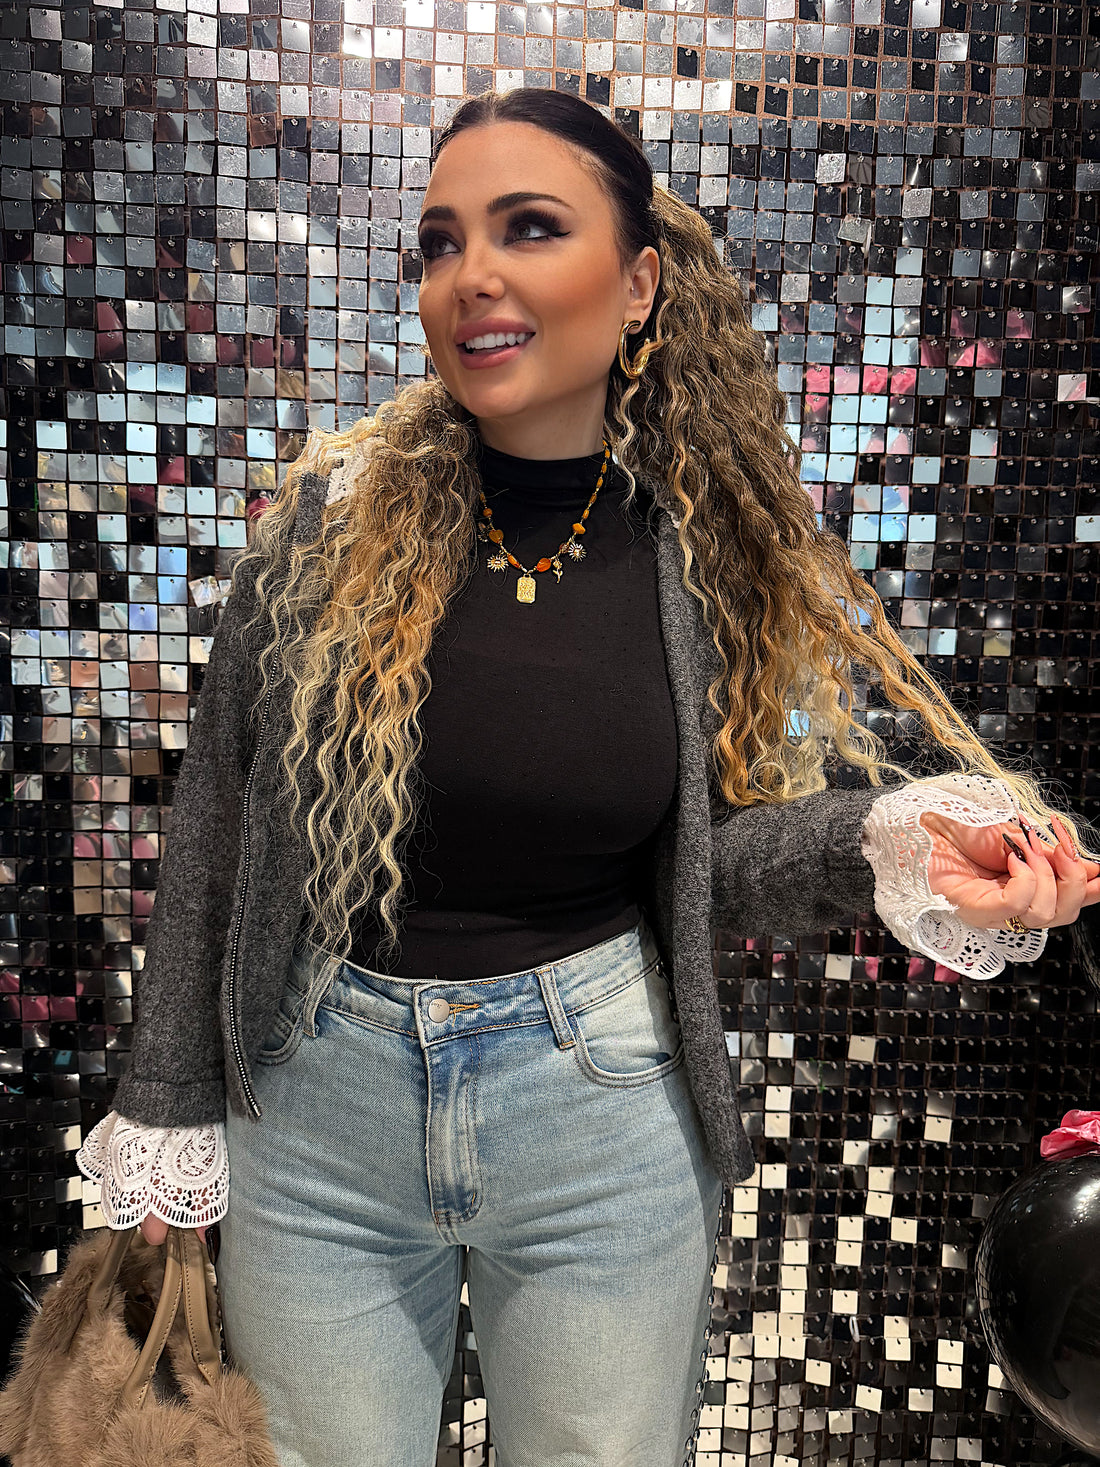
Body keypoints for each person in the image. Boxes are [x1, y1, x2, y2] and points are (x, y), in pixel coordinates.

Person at [75, 88, 1100, 1467]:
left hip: (600, 1117)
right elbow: (218, 820)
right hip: (317, 1125)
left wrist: (901, 847)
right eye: (442, 242)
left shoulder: (700, 551)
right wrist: (166, 1109)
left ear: (639, 286)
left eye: (529, 229)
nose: (471, 276)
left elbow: (710, 856)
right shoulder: (328, 525)